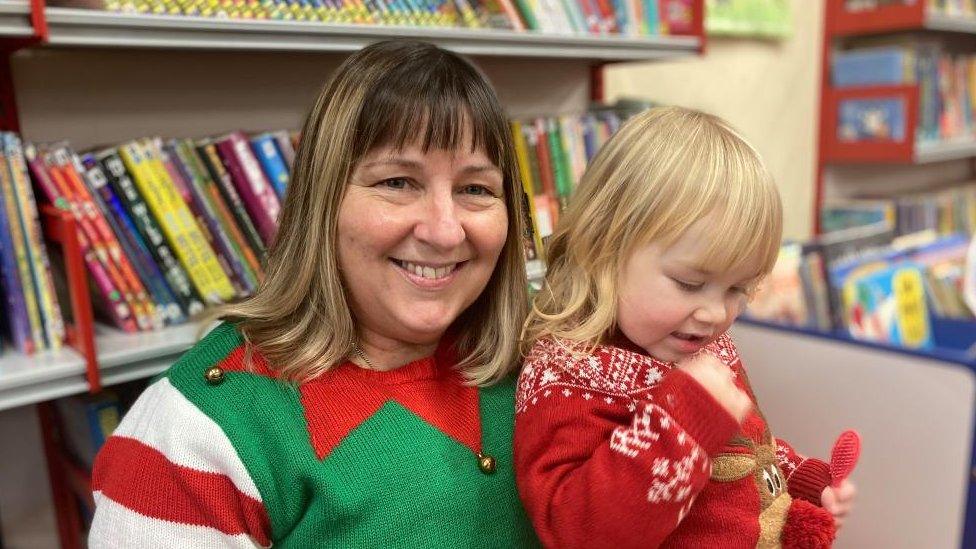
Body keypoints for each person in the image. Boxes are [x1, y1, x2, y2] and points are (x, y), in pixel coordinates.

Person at [89, 40, 540, 547]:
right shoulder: (193, 427)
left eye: (476, 189)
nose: (444, 231)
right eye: (397, 181)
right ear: (321, 201)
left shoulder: (554, 365)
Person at [514, 106, 857, 548]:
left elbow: (747, 446)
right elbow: (580, 530)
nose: (716, 314)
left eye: (738, 288)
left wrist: (803, 480)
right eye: (689, 283)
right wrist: (683, 423)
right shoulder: (566, 375)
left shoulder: (698, 341)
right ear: (603, 247)